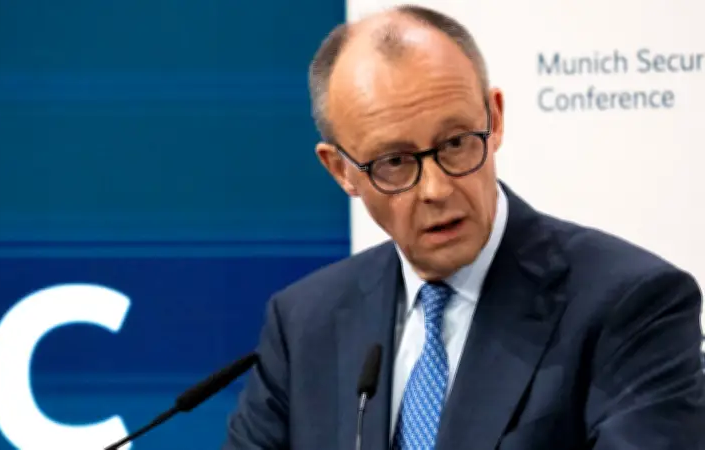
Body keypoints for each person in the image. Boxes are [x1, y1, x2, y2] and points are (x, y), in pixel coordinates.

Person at [222, 4, 705, 450]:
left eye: (455, 143)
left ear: (494, 119)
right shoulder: (305, 322)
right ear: (341, 170)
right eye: (395, 162)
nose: (436, 189)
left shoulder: (630, 305)